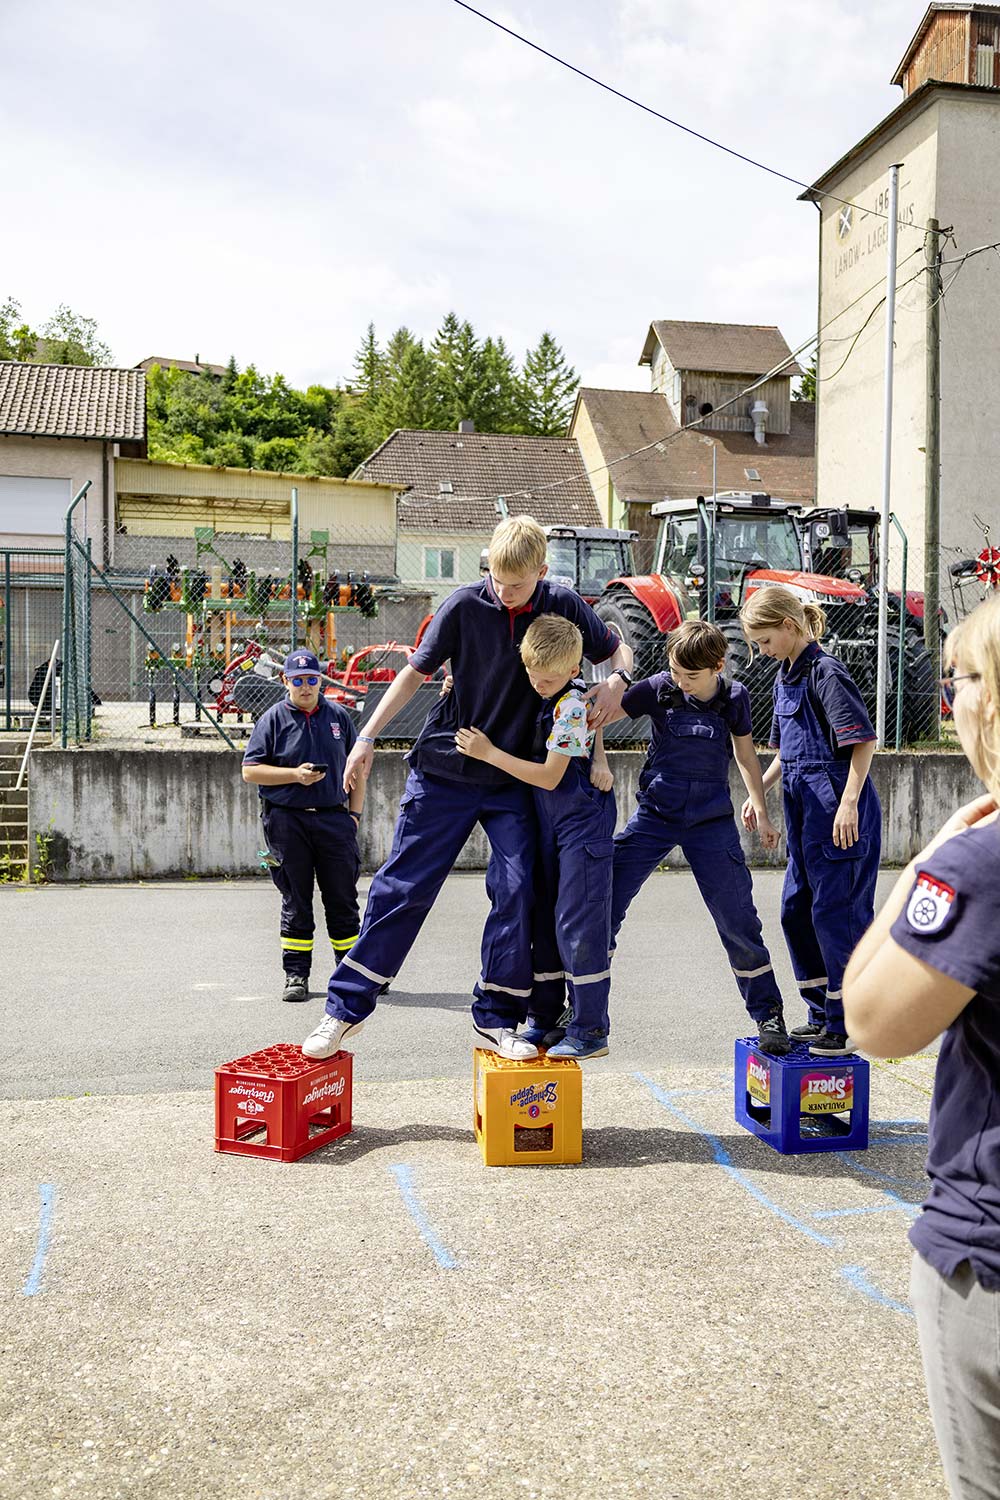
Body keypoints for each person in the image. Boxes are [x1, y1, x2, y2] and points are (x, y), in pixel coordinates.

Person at [302, 514, 634, 1062]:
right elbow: (413, 672)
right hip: (446, 771)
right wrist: (365, 737)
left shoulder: (564, 603)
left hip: (510, 779)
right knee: (403, 887)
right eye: (497, 580)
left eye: (518, 585)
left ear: (542, 573)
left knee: (518, 888)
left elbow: (615, 650)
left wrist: (615, 684)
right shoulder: (461, 605)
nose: (504, 593)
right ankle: (342, 1011)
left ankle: (499, 1017)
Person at [843, 592, 1000, 1500]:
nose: (955, 701)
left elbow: (873, 1022)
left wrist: (923, 866)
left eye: (968, 679)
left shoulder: (980, 864)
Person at [604, 619, 792, 1056]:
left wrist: (761, 810)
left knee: (738, 920)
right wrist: (598, 761)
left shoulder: (735, 697)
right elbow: (598, 716)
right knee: (604, 898)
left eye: (691, 676)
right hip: (656, 815)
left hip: (711, 821)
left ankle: (769, 1014)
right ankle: (580, 1008)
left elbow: (746, 755)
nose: (681, 682)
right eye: (675, 672)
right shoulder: (656, 689)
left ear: (718, 667)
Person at [455, 614, 616, 1060]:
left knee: (577, 924)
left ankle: (589, 1028)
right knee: (545, 920)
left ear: (572, 670)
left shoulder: (569, 704)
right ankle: (544, 1018)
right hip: (550, 824)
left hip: (580, 821)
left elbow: (548, 776)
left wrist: (489, 754)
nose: (536, 683)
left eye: (547, 678)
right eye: (531, 674)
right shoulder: (552, 694)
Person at [740, 584, 880, 1057]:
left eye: (763, 641)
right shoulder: (785, 675)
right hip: (806, 810)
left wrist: (848, 803)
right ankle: (821, 1011)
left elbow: (863, 742)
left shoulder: (827, 673)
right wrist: (758, 793)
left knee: (835, 914)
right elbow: (785, 753)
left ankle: (845, 1024)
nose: (761, 651)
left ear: (788, 625)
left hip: (838, 807)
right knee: (796, 910)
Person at [242, 649, 364, 1002]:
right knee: (295, 899)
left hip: (333, 819)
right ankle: (296, 975)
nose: (306, 687)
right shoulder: (273, 719)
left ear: (320, 680)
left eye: (312, 679)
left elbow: (358, 771)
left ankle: (352, 973)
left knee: (342, 899)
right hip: (285, 821)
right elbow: (250, 770)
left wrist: (354, 815)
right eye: (298, 681)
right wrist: (295, 776)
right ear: (286, 682)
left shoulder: (339, 716)